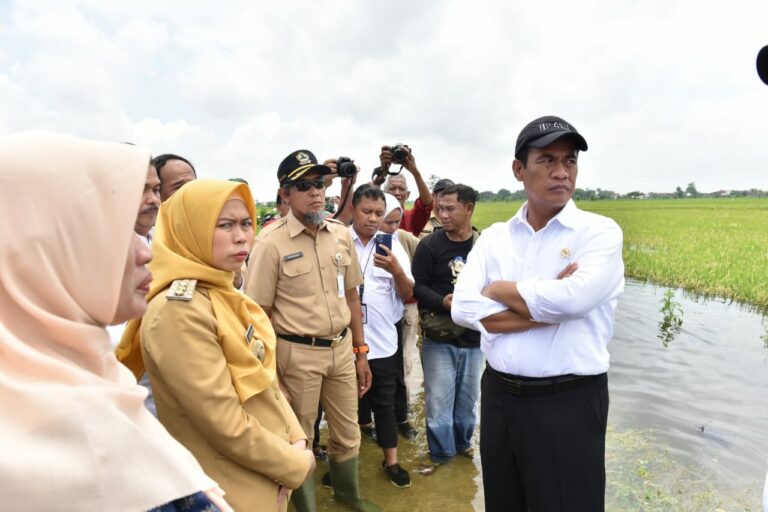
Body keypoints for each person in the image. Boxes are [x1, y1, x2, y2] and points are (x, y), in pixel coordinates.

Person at [0, 132, 231, 512]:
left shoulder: (91, 378)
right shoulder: (85, 441)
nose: (145, 252)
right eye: (114, 231)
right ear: (49, 250)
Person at [452, 115, 625, 511]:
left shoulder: (599, 233)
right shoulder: (495, 237)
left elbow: (573, 301)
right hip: (499, 398)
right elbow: (463, 309)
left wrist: (496, 290)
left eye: (570, 161)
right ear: (519, 170)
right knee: (504, 502)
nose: (561, 173)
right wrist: (546, 307)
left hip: (568, 403)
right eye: (547, 160)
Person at [130, 179, 314, 511]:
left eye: (245, 223)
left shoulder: (222, 292)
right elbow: (223, 423)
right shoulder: (179, 311)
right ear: (190, 230)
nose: (242, 236)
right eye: (225, 225)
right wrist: (295, 463)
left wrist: (296, 436)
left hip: (266, 466)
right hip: (231, 485)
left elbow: (265, 382)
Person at [246, 150, 379, 512]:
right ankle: (306, 506)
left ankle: (348, 495)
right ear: (285, 195)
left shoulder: (339, 235)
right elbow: (258, 318)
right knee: (299, 436)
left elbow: (352, 296)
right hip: (296, 355)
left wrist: (361, 352)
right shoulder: (269, 244)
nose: (315, 192)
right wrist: (273, 378)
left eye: (320, 183)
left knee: (348, 431)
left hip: (341, 349)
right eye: (304, 185)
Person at [411, 184, 483, 472]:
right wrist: (444, 301)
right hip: (440, 337)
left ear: (469, 208)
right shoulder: (430, 245)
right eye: (440, 208)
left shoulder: (483, 246)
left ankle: (463, 444)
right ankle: (441, 457)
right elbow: (417, 287)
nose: (442, 214)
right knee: (439, 405)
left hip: (475, 338)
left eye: (450, 208)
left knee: (468, 403)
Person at [349, 184, 414, 487]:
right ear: (352, 209)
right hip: (343, 341)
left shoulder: (391, 244)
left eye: (379, 213)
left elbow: (409, 293)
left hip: (384, 342)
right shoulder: (338, 240)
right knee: (346, 405)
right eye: (367, 212)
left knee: (384, 403)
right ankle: (344, 465)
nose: (373, 219)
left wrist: (397, 269)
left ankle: (392, 462)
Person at [376, 144, 434, 236]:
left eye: (402, 189)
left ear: (408, 195)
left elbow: (427, 204)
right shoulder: (375, 216)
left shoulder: (411, 218)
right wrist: (383, 170)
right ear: (384, 194)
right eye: (392, 188)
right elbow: (370, 200)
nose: (397, 193)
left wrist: (415, 171)